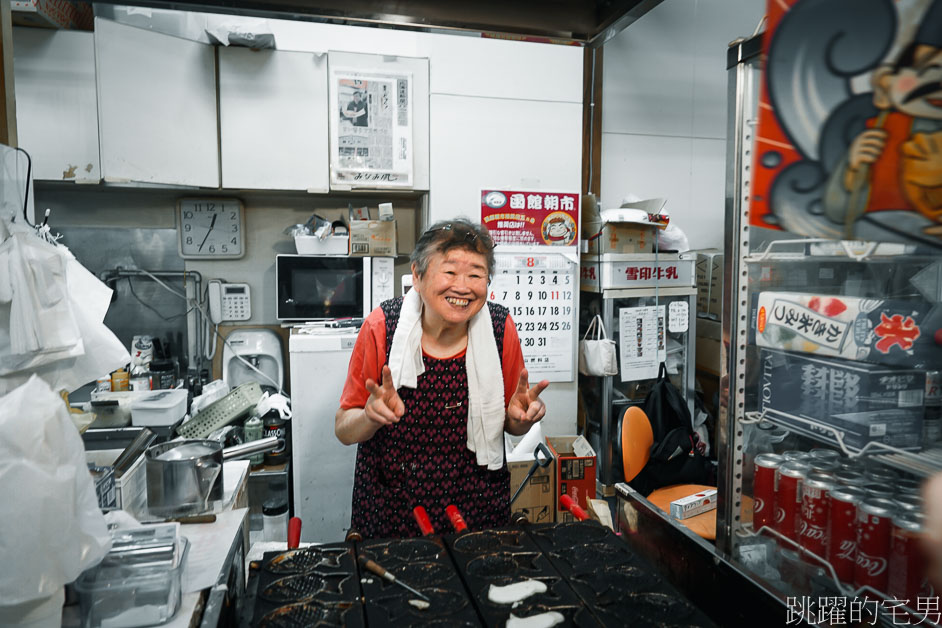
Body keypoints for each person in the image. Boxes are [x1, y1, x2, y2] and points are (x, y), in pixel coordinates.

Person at [335, 218, 548, 538]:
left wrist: (521, 419)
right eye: (449, 272)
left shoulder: (501, 329)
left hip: (478, 506)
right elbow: (343, 429)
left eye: (476, 274)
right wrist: (369, 416)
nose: (462, 287)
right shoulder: (383, 327)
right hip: (393, 509)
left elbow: (510, 424)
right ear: (417, 277)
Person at [823, 0, 942, 237]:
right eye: (925, 70)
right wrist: (853, 169)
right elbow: (837, 211)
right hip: (878, 245)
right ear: (885, 84)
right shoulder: (878, 134)